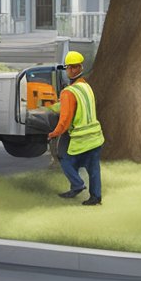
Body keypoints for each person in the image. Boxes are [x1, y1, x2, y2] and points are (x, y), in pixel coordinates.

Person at [47, 50, 104, 206]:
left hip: (80, 138)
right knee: (93, 169)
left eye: (74, 67)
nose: (71, 70)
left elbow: (65, 120)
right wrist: (53, 107)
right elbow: (75, 106)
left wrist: (54, 133)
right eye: (69, 67)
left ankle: (77, 185)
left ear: (80, 67)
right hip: (96, 136)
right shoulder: (86, 87)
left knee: (64, 158)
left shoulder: (68, 92)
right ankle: (95, 197)